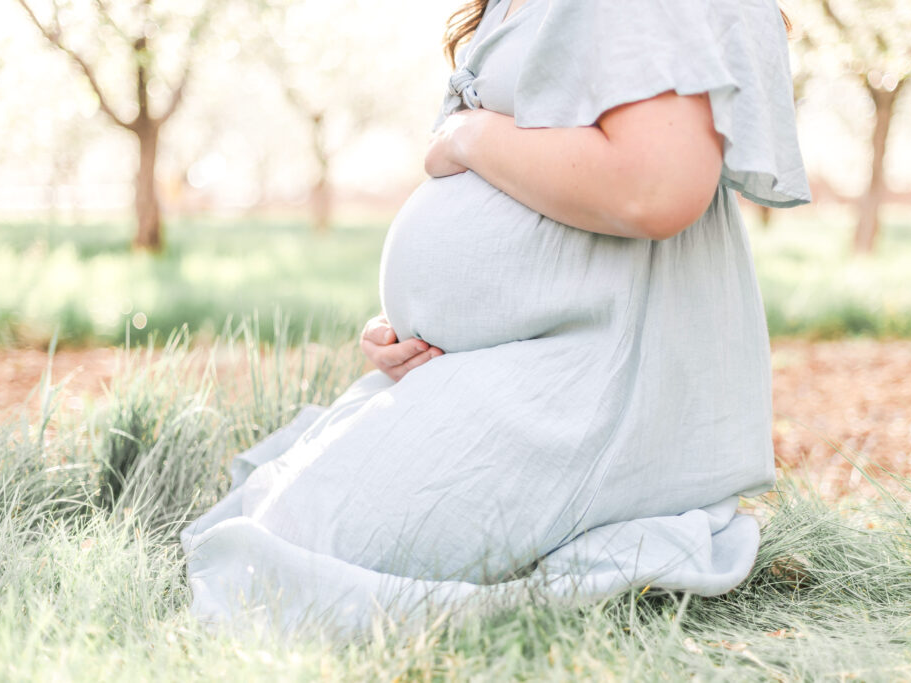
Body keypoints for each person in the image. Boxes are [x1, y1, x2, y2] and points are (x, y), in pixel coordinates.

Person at [181, 0, 811, 638]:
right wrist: (410, 320)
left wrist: (466, 134)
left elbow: (657, 187)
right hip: (499, 358)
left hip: (594, 378)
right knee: (268, 516)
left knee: (281, 560)